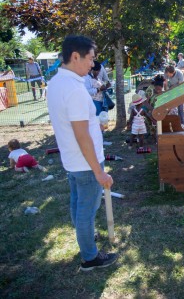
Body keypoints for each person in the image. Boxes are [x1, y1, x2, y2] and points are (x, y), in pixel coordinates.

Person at [47, 35, 117, 271]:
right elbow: (81, 135)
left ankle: (85, 238)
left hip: (72, 160)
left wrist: (92, 125)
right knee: (86, 211)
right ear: (75, 56)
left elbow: (74, 125)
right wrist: (99, 172)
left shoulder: (56, 83)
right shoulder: (74, 89)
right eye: (90, 58)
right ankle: (90, 257)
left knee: (78, 206)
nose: (92, 64)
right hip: (86, 163)